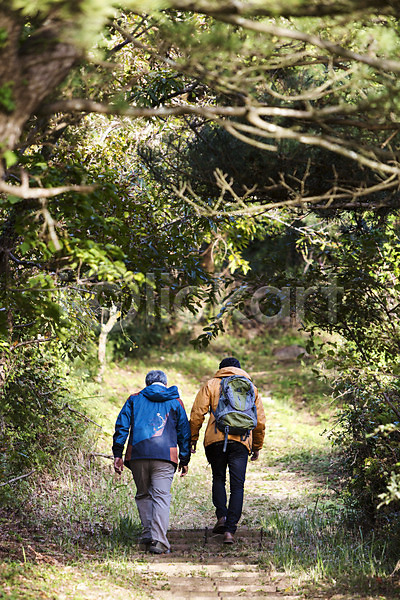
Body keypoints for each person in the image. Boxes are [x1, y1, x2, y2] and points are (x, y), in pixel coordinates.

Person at [112, 369, 190, 554]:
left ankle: (148, 533)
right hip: (165, 455)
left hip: (138, 454)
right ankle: (160, 541)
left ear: (147, 383)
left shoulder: (134, 399)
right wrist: (184, 458)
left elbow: (122, 426)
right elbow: (184, 432)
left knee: (143, 494)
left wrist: (118, 453)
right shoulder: (175, 402)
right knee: (161, 497)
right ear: (165, 383)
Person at [190, 357, 265, 544]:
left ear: (221, 369)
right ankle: (230, 530)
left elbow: (197, 414)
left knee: (218, 478)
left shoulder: (212, 384)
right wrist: (256, 446)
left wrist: (192, 439)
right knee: (237, 486)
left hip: (215, 439)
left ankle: (221, 518)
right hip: (241, 441)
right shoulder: (250, 387)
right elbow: (260, 421)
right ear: (239, 369)